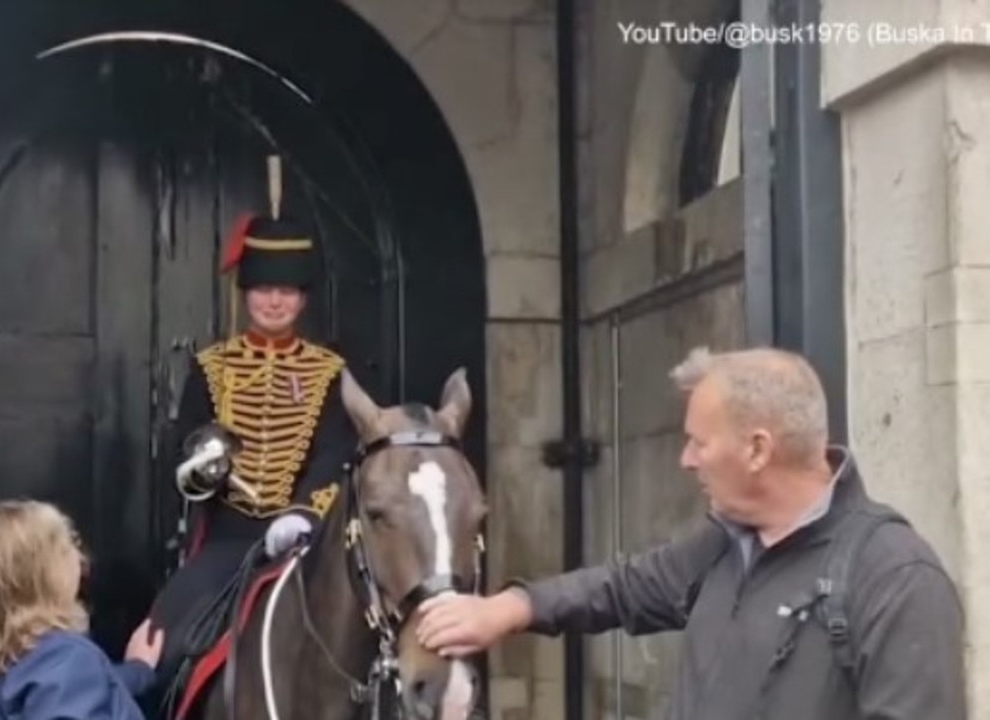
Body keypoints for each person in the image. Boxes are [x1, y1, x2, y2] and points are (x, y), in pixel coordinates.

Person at [416, 346, 967, 719]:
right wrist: (508, 609)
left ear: (757, 448)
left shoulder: (895, 581)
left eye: (699, 442)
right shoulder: (724, 547)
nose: (686, 460)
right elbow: (622, 588)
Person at [140, 204, 357, 709]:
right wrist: (199, 467)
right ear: (246, 292)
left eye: (286, 291)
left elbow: (334, 452)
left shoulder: (329, 372)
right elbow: (184, 451)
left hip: (301, 541)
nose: (274, 302)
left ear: (302, 298)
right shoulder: (211, 368)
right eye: (263, 289)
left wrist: (303, 512)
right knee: (162, 639)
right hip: (229, 542)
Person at [0, 499, 165, 720]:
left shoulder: (6, 663)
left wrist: (138, 670)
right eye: (69, 544)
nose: (80, 558)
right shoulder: (69, 658)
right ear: (46, 573)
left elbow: (68, 689)